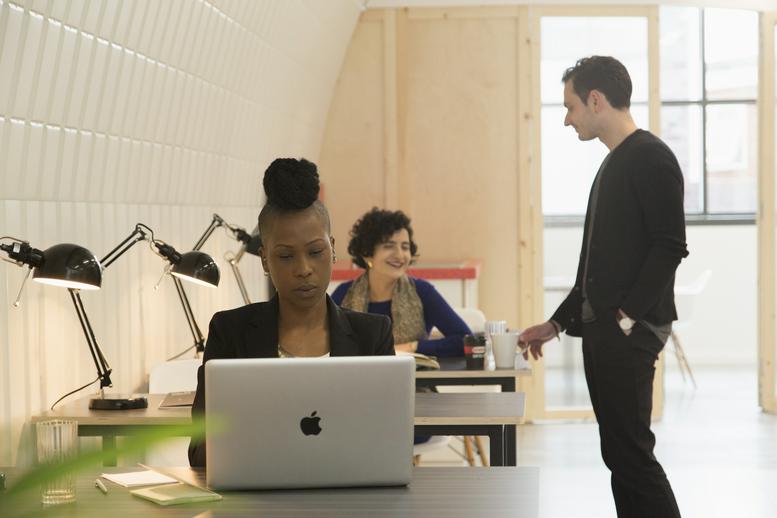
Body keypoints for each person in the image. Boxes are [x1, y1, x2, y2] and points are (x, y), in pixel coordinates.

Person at [518, 56, 687, 518]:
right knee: (619, 454)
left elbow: (670, 246)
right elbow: (595, 269)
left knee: (631, 454)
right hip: (607, 331)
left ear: (596, 100)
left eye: (570, 106)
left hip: (627, 333)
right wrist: (554, 324)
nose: (566, 118)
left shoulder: (650, 157)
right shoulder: (615, 163)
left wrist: (626, 318)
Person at [188, 158, 394, 467]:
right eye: (285, 256)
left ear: (333, 248)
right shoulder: (230, 332)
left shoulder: (372, 335)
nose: (303, 269)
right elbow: (200, 451)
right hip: (257, 500)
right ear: (264, 261)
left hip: (349, 497)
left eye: (315, 252)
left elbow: (388, 441)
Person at [331, 208, 471, 357]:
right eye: (389, 246)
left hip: (412, 378)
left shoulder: (422, 291)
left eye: (405, 247)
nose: (400, 255)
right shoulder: (344, 294)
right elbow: (321, 342)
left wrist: (411, 347)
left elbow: (465, 340)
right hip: (355, 378)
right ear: (367, 254)